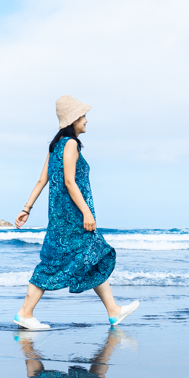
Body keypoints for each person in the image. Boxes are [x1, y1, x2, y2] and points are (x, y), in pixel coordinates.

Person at [13, 95, 139, 330]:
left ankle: (113, 311)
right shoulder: (70, 144)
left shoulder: (55, 146)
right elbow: (70, 182)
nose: (86, 120)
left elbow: (42, 180)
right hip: (72, 217)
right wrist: (86, 213)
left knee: (92, 255)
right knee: (58, 261)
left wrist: (26, 208)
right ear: (73, 120)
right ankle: (25, 312)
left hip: (60, 216)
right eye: (83, 116)